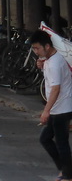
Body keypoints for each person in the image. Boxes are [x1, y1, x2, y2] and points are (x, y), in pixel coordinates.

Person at [30, 29, 72, 181]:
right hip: (59, 107)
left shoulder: (54, 63)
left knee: (61, 143)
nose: (35, 52)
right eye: (34, 49)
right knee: (46, 139)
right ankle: (65, 170)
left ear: (47, 46)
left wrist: (46, 111)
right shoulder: (51, 59)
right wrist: (41, 65)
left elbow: (56, 88)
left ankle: (67, 175)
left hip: (62, 107)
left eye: (37, 48)